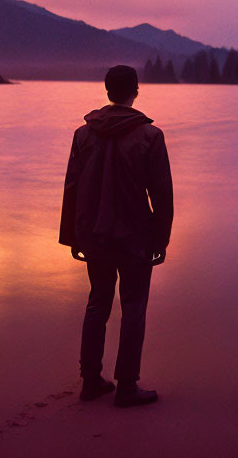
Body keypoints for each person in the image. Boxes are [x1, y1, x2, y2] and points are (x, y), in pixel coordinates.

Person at [59, 65, 173, 407]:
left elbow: (72, 189)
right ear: (134, 91)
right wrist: (161, 239)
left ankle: (91, 380)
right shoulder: (150, 136)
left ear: (107, 91)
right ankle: (126, 385)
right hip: (135, 236)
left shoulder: (83, 134)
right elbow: (162, 194)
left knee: (97, 303)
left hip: (95, 233)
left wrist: (72, 237)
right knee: (134, 306)